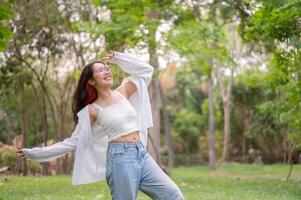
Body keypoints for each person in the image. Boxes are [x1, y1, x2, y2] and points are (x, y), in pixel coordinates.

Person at [16, 51, 184, 200]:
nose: (106, 71)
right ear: (91, 81)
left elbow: (147, 71)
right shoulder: (92, 110)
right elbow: (73, 142)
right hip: (120, 159)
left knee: (173, 195)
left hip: (141, 153)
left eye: (106, 68)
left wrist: (118, 59)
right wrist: (35, 154)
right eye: (100, 70)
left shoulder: (123, 92)